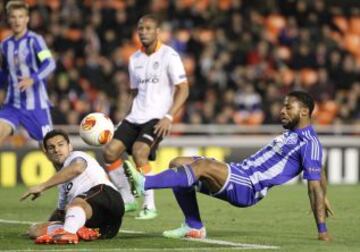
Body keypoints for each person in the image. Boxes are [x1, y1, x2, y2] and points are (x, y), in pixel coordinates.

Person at [124, 91, 334, 241]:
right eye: (283, 106)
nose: (282, 111)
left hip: (250, 186)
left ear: (305, 111)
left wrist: (322, 229)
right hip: (239, 172)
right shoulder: (293, 135)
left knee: (202, 165)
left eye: (288, 107)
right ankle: (194, 226)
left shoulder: (309, 142)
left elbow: (313, 183)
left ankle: (145, 183)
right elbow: (318, 168)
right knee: (178, 163)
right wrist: (325, 194)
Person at [103, 14, 189, 220]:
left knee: (139, 152)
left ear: (158, 31)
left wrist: (169, 116)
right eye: (141, 29)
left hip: (157, 117)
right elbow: (134, 92)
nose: (144, 32)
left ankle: (150, 206)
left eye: (148, 28)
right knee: (109, 152)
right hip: (135, 116)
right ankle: (128, 198)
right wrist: (123, 117)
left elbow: (184, 89)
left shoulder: (170, 56)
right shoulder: (134, 59)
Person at [21, 129, 125, 244]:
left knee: (77, 203)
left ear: (70, 147)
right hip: (106, 229)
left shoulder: (76, 156)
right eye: (51, 147)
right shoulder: (62, 184)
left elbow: (77, 168)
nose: (56, 149)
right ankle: (78, 230)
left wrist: (42, 186)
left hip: (108, 198)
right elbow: (60, 214)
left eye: (61, 145)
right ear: (46, 154)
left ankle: (68, 233)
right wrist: (41, 228)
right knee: (35, 231)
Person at [0, 0, 56, 146]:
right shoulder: (5, 45)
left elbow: (49, 63)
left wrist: (33, 78)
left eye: (20, 16)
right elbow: (5, 72)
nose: (17, 20)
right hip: (12, 105)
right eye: (13, 17)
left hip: (36, 106)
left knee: (50, 148)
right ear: (8, 19)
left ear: (27, 19)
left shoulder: (35, 41)